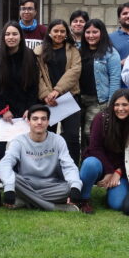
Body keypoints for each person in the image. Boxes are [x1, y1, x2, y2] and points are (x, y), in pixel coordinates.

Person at [0, 105, 83, 212]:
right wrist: (9, 187)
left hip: (52, 186)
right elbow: (5, 163)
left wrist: (75, 187)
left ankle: (25, 201)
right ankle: (54, 207)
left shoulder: (58, 140)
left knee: (68, 189)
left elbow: (68, 166)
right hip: (26, 184)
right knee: (9, 178)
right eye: (35, 119)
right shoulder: (18, 141)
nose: (39, 122)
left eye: (43, 119)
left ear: (48, 122)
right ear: (28, 121)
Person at [0, 21, 40, 167]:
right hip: (3, 108)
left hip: (24, 109)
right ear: (3, 37)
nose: (11, 37)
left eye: (15, 34)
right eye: (7, 34)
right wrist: (3, 110)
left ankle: (22, 172)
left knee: (24, 142)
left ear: (20, 36)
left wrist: (30, 108)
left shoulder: (29, 56)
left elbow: (34, 85)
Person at [78, 89, 129, 214]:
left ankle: (111, 192)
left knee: (117, 204)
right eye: (117, 105)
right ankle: (83, 199)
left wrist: (118, 171)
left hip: (122, 168)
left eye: (125, 105)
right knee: (90, 163)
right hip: (100, 164)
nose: (120, 108)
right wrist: (109, 171)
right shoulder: (101, 118)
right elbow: (94, 148)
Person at [35, 19, 83, 163]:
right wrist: (46, 95)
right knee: (46, 135)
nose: (59, 34)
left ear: (66, 33)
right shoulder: (39, 51)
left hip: (69, 98)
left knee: (72, 136)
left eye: (62, 31)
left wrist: (57, 90)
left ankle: (72, 167)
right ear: (49, 32)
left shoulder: (73, 51)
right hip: (48, 101)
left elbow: (75, 71)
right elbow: (37, 76)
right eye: (56, 31)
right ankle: (46, 167)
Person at [77, 18, 121, 151]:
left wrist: (111, 102)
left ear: (102, 33)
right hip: (78, 98)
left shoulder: (111, 53)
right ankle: (79, 161)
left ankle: (91, 159)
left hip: (98, 100)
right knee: (77, 134)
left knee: (90, 132)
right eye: (88, 32)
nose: (91, 36)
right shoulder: (78, 51)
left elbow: (115, 78)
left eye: (95, 32)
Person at [109, 2, 129, 72]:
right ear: (119, 18)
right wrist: (120, 63)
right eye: (124, 13)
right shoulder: (110, 38)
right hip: (117, 80)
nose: (128, 16)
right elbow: (105, 61)